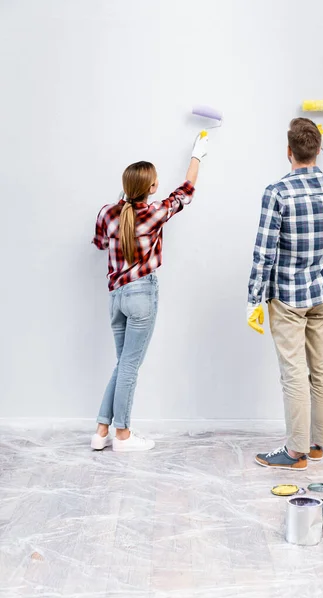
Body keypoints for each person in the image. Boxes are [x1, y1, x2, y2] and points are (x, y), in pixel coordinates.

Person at [91, 133, 208, 452]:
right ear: (152, 187)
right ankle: (123, 436)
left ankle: (102, 430)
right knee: (128, 366)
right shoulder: (155, 212)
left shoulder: (107, 213)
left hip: (115, 297)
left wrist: (121, 205)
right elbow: (186, 192)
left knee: (122, 364)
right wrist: (197, 155)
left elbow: (101, 243)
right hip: (141, 296)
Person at [247, 118, 323, 470]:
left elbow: (264, 252)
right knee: (321, 368)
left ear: (288, 151)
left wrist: (253, 299)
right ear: (317, 150)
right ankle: (317, 445)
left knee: (294, 373)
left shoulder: (277, 192)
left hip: (289, 297)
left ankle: (295, 453)